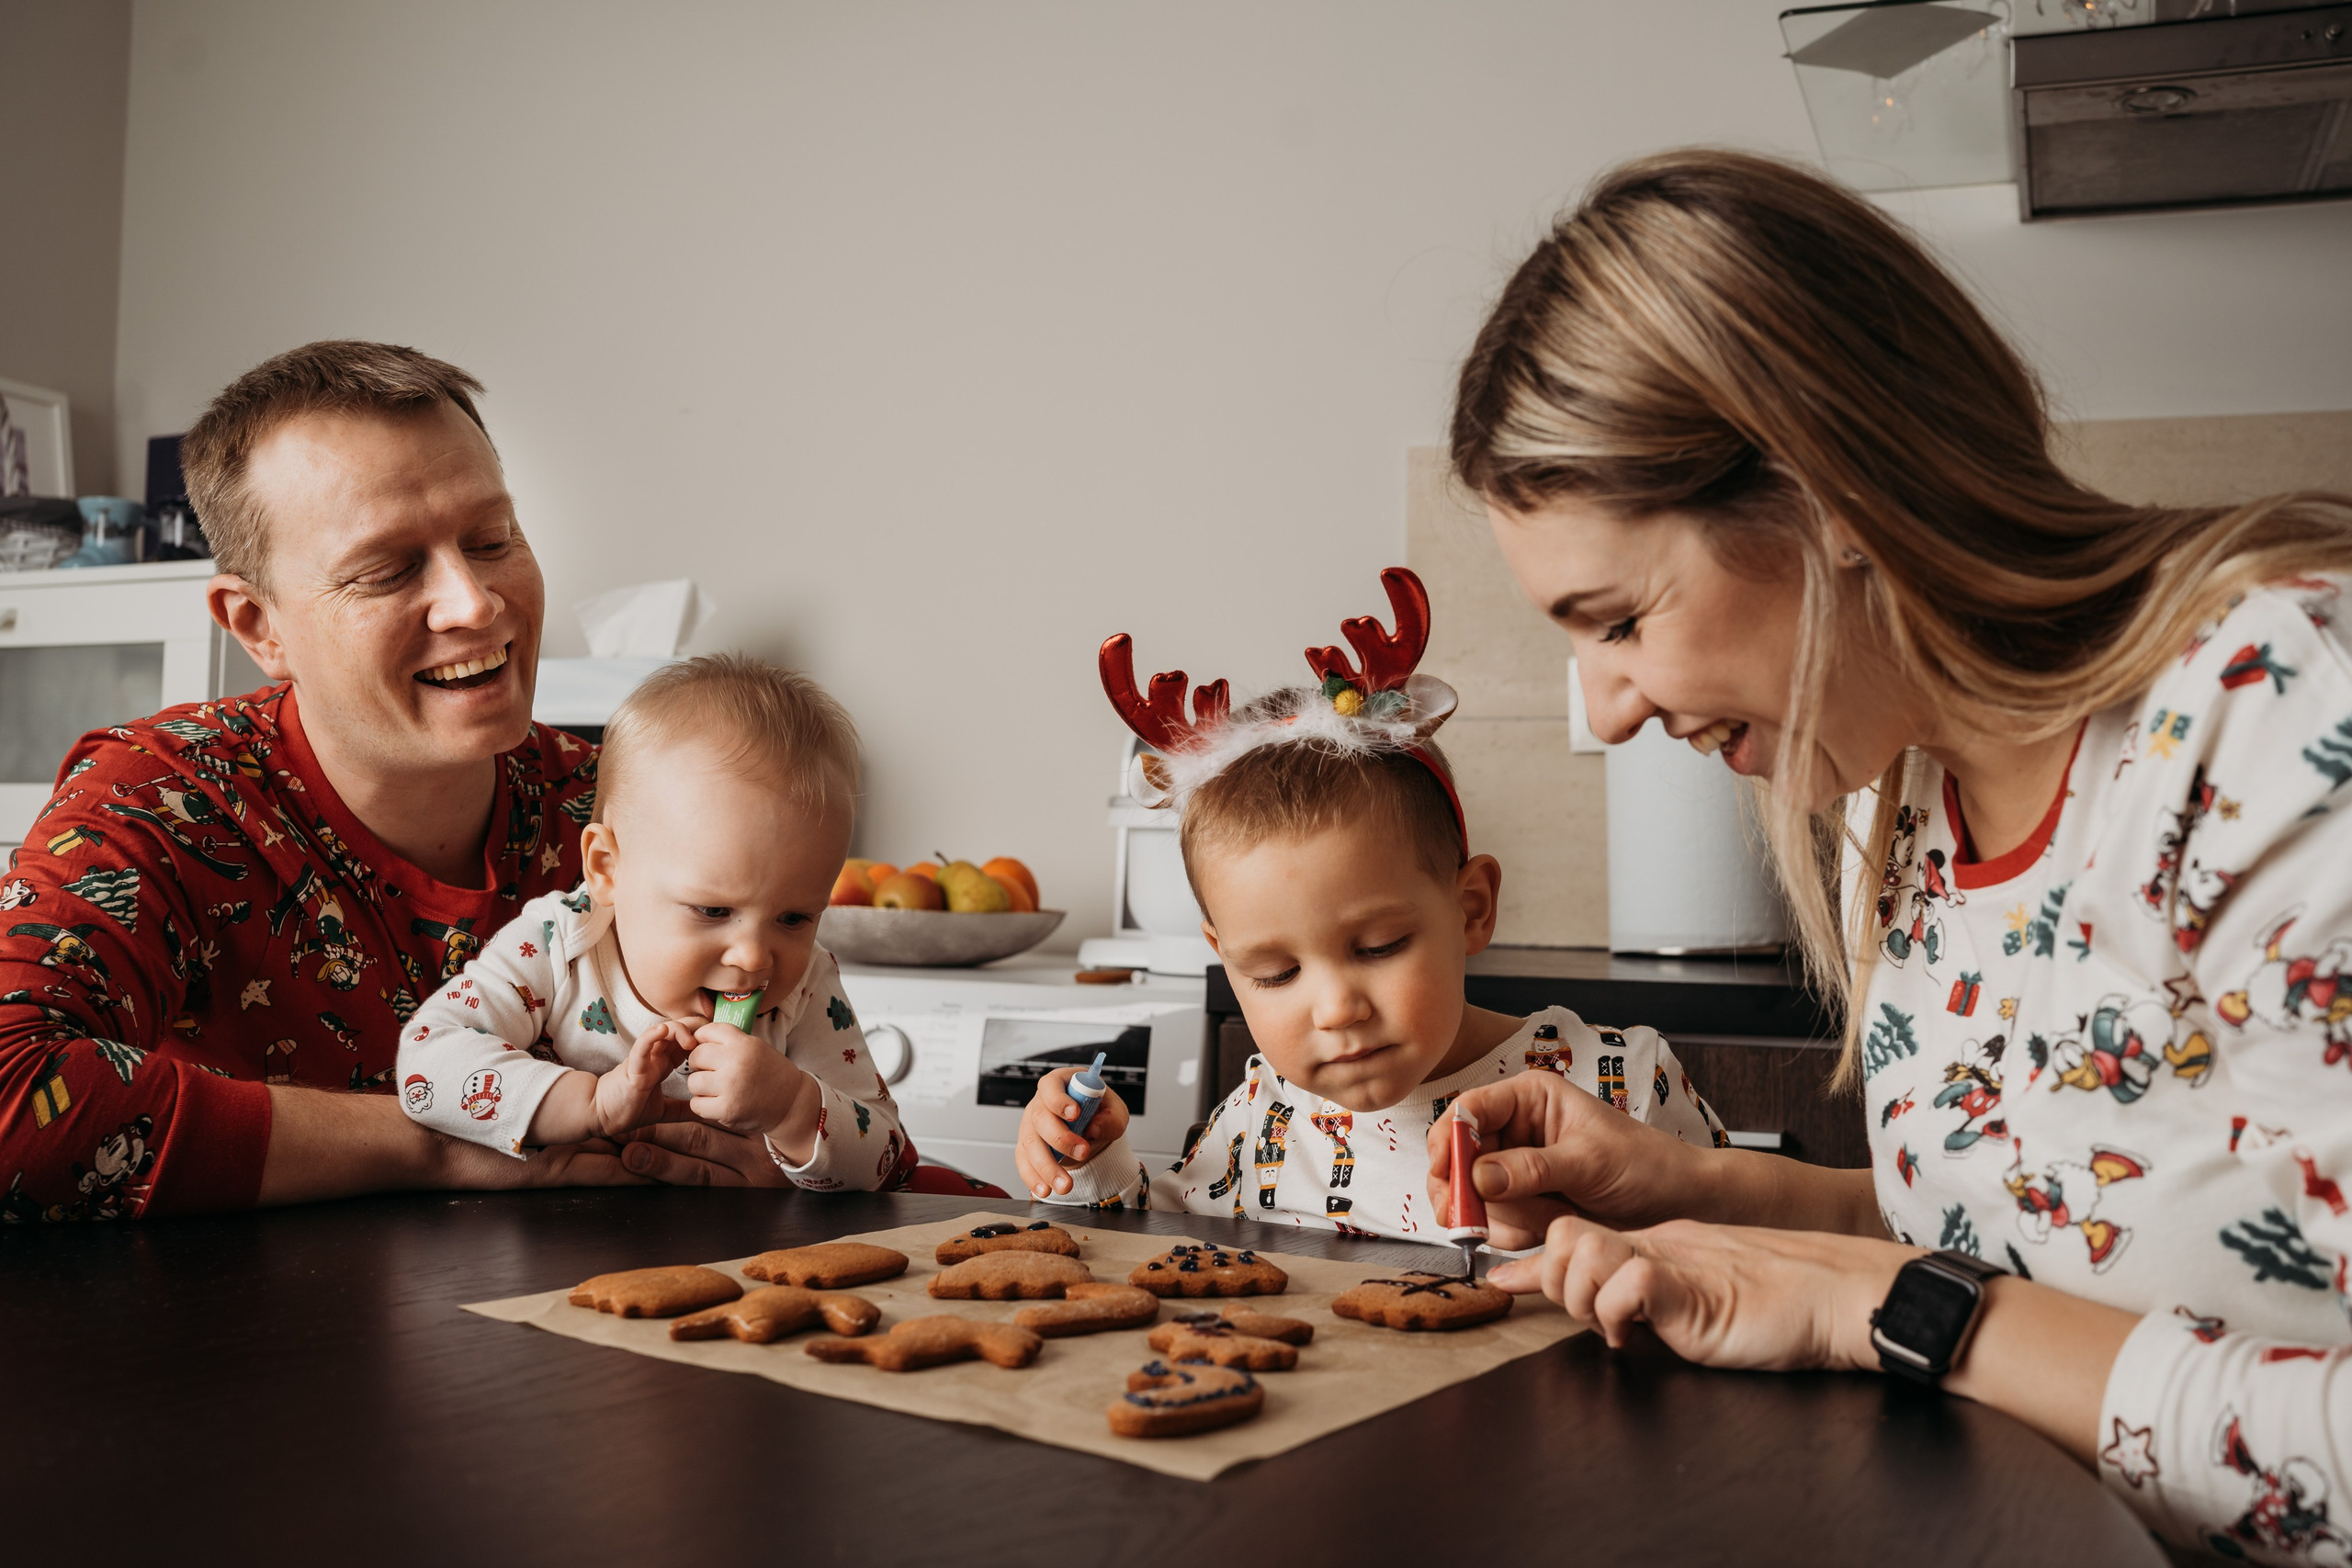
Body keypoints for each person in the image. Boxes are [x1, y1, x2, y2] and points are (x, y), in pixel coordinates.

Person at [1436, 150, 2352, 1563]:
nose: (1609, 707)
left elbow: (1987, 1304)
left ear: (1828, 497)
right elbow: (2065, 1223)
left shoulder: (2279, 716)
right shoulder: (1904, 787)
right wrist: (1697, 1188)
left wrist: (1893, 1307)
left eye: (1617, 620)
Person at [0, 341, 864, 1219]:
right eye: (388, 570)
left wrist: (791, 1163)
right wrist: (455, 1146)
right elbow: (10, 1093)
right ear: (259, 625)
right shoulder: (160, 797)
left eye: (493, 539)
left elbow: (875, 1157)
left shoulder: (615, 810)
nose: (476, 603)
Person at [1015, 569, 1721, 1232]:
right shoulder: (1263, 1118)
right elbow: (1156, 1247)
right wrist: (1089, 1161)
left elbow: (1752, 1261)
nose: (1336, 1009)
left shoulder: (1620, 1084)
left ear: (1471, 908)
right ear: (1223, 959)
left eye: (1378, 947)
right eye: (1275, 973)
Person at [400, 655, 914, 1190]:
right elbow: (426, 1061)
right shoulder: (559, 945)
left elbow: (885, 1155)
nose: (755, 956)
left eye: (793, 917)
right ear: (606, 869)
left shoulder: (804, 987)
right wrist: (590, 1104)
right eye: (714, 911)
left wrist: (794, 1109)